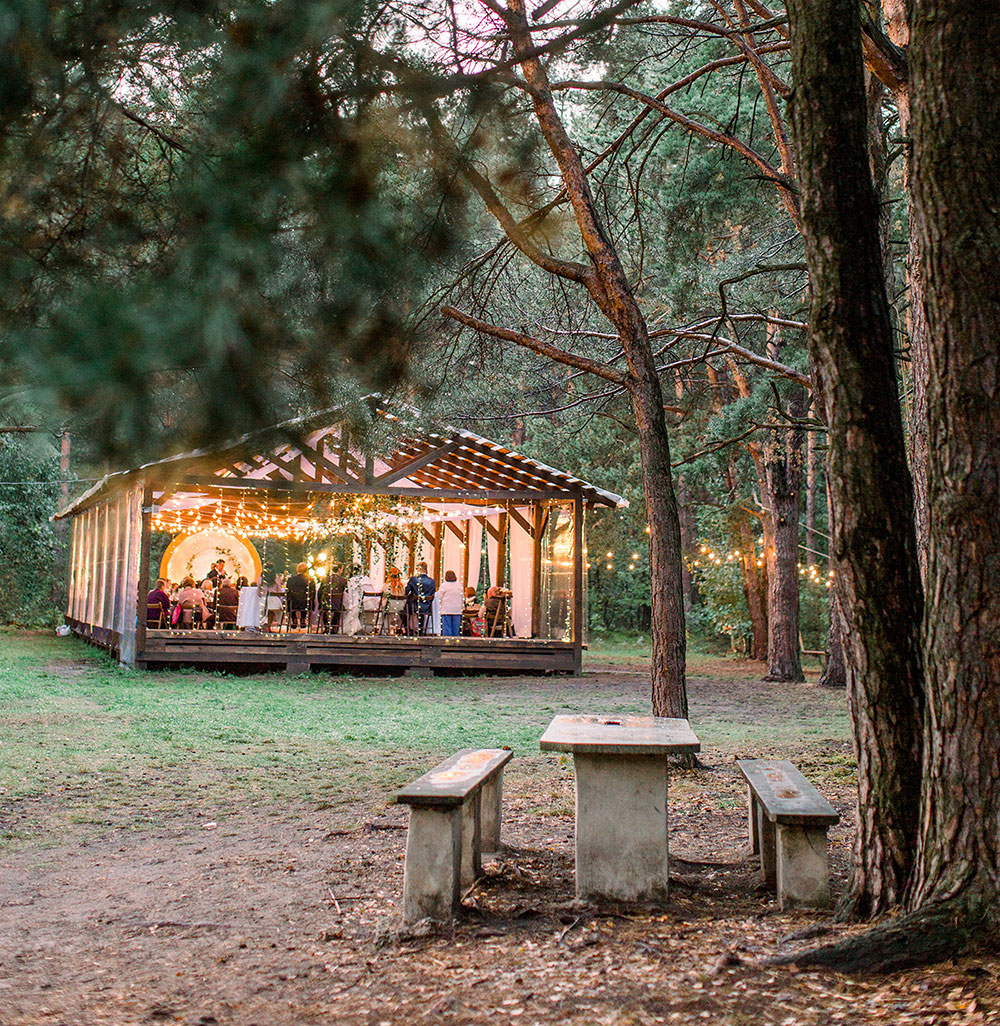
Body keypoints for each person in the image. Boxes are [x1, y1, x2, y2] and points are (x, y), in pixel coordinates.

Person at [405, 562, 436, 635]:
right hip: (427, 607)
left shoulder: (414, 579)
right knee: (421, 609)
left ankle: (408, 629)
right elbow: (433, 593)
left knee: (405, 609)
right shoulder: (432, 581)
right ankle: (421, 630)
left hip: (414, 606)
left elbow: (406, 591)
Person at [318, 564, 348, 634]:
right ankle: (334, 627)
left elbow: (319, 593)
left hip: (326, 604)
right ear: (339, 569)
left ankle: (326, 626)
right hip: (337, 605)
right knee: (338, 609)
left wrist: (320, 603)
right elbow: (347, 593)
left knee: (324, 610)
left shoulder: (325, 579)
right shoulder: (343, 581)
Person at [286, 562, 314, 631]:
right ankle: (303, 619)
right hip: (305, 603)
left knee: (290, 598)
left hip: (294, 603)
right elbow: (313, 592)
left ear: (297, 570)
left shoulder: (291, 580)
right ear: (306, 571)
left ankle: (294, 619)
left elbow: (287, 592)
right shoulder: (310, 580)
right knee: (306, 599)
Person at [437, 570, 464, 637]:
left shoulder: (444, 585)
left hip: (446, 609)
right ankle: (455, 642)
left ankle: (447, 641)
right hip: (457, 610)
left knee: (447, 628)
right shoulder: (459, 585)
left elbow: (439, 596)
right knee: (456, 628)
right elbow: (462, 597)